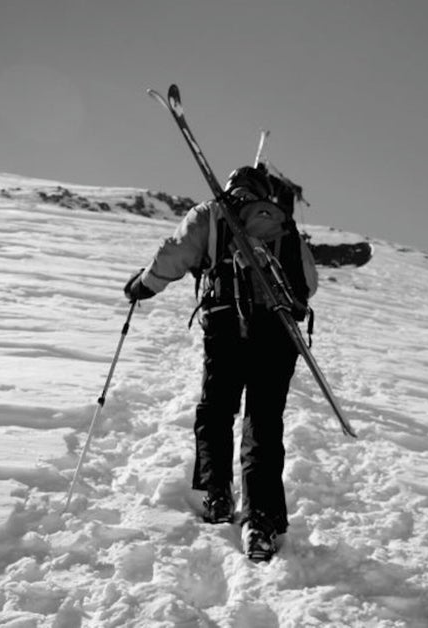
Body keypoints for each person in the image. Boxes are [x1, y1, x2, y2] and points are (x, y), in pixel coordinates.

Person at [122, 165, 317, 560]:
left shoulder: (211, 212)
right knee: (264, 423)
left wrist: (143, 285)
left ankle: (217, 495)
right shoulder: (283, 224)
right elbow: (308, 284)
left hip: (227, 324)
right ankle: (261, 522)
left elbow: (174, 254)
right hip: (277, 333)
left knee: (216, 410)